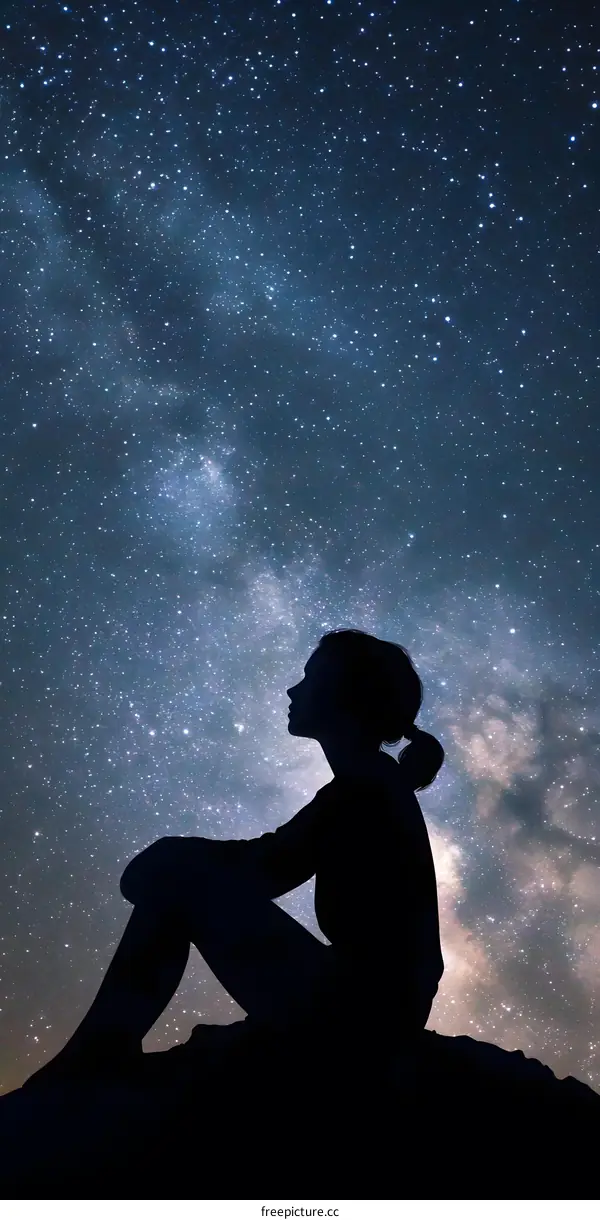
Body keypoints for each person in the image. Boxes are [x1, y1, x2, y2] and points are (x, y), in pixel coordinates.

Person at [23, 628, 445, 1091]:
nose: (292, 690)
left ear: (345, 694)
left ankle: (96, 1055)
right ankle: (99, 1051)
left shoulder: (364, 789)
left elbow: (265, 867)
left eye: (309, 678)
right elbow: (268, 859)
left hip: (358, 1017)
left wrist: (174, 861)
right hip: (371, 1010)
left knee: (184, 879)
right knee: (182, 877)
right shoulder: (371, 785)